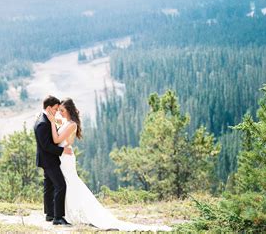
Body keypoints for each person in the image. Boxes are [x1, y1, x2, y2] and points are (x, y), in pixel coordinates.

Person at [45, 98, 172, 232]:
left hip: (66, 158)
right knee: (65, 184)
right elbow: (57, 123)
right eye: (59, 110)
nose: (60, 113)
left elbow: (57, 139)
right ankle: (63, 213)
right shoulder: (66, 122)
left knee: (70, 183)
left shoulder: (72, 124)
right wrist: (51, 118)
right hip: (62, 155)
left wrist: (53, 123)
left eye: (62, 111)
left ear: (69, 110)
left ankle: (73, 213)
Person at [33, 95, 73, 226]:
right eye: (56, 109)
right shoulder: (42, 123)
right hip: (49, 160)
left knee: (49, 186)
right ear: (49, 108)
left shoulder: (45, 119)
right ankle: (58, 217)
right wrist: (62, 151)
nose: (56, 112)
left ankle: (50, 214)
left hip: (47, 160)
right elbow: (46, 146)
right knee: (61, 186)